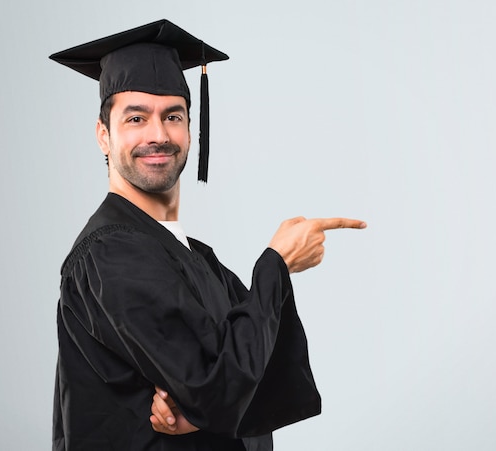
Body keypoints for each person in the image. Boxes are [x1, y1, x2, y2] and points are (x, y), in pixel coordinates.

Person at [50, 19, 366, 451]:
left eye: (172, 116)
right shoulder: (109, 253)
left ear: (190, 132)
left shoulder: (199, 260)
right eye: (136, 117)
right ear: (104, 135)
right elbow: (220, 387)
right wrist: (276, 263)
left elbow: (250, 376)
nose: (158, 135)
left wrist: (198, 411)